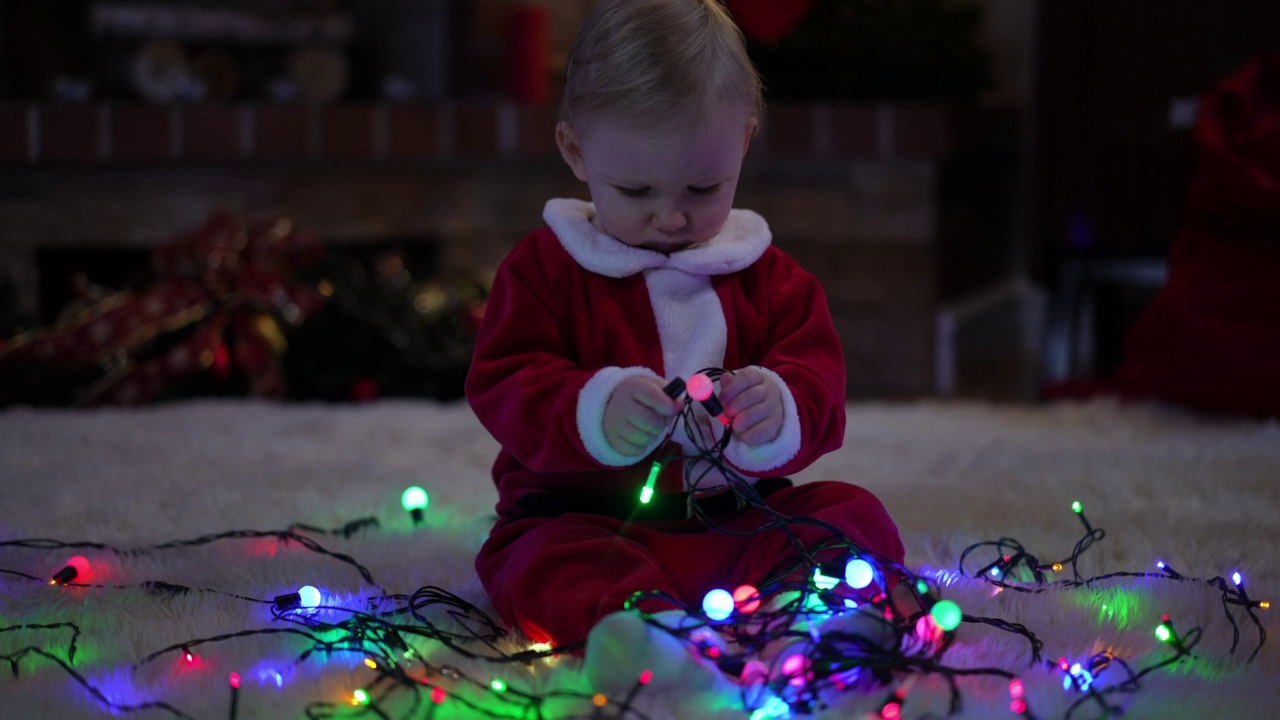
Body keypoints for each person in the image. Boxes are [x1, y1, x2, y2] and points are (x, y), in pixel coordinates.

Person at [464, 0, 904, 697]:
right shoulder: (545, 269)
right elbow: (503, 379)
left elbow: (819, 380)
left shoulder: (769, 276)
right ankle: (644, 639)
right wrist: (593, 408)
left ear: (744, 142)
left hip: (741, 526)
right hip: (589, 521)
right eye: (635, 189)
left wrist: (778, 407)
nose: (671, 216)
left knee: (852, 517)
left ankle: (812, 622)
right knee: (538, 563)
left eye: (704, 188)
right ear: (575, 152)